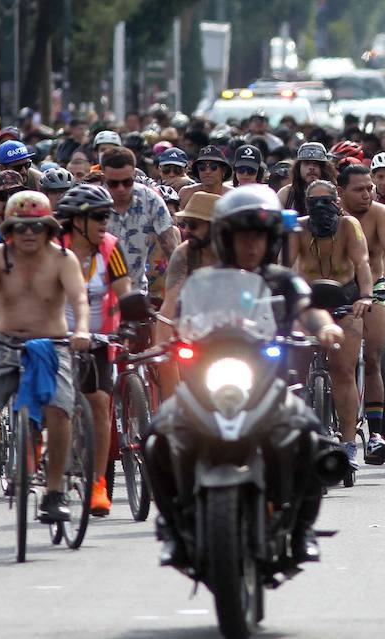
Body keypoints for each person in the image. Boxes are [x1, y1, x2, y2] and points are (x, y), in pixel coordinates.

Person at [144, 185, 345, 566]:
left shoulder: (284, 279)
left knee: (313, 439)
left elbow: (308, 308)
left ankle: (301, 530)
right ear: (226, 237)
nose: (251, 243)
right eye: (242, 235)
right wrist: (166, 341)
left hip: (268, 382)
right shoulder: (202, 283)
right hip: (205, 385)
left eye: (258, 235)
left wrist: (325, 327)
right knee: (156, 438)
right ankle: (173, 526)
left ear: (270, 239)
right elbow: (178, 318)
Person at [0, 191, 91, 522]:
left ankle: (56, 491)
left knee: (59, 410)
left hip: (53, 345)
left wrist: (83, 331)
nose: (28, 234)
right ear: (9, 231)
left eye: (36, 227)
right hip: (4, 340)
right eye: (20, 227)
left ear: (49, 229)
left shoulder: (63, 259)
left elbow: (80, 300)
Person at [54, 184, 133, 518]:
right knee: (54, 403)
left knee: (100, 403)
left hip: (99, 337)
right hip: (57, 334)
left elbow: (124, 291)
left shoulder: (111, 248)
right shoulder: (55, 248)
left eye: (107, 216)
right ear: (76, 222)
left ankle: (98, 482)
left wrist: (127, 323)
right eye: (99, 217)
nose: (106, 223)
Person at [290, 179, 373, 472]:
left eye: (327, 201)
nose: (321, 208)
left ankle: (349, 443)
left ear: (337, 201)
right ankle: (297, 436)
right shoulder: (298, 228)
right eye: (314, 203)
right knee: (292, 369)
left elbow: (362, 263)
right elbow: (286, 267)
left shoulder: (350, 225)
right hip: (308, 304)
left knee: (343, 369)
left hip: (345, 301)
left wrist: (365, 296)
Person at [336, 163, 385, 463]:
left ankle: (376, 434)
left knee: (373, 358)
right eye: (359, 189)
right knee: (338, 364)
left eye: (370, 188)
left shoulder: (381, 213)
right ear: (341, 192)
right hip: (338, 292)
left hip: (376, 289)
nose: (367, 194)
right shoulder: (332, 215)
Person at [101, 148, 179, 298]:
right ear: (104, 178)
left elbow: (171, 249)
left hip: (138, 293)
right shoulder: (95, 203)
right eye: (113, 183)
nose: (121, 189)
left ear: (134, 175)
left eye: (127, 182)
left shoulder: (150, 200)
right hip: (101, 295)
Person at [278, 143, 333, 212]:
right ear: (298, 167)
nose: (311, 168)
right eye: (306, 163)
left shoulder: (334, 193)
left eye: (316, 163)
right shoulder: (286, 194)